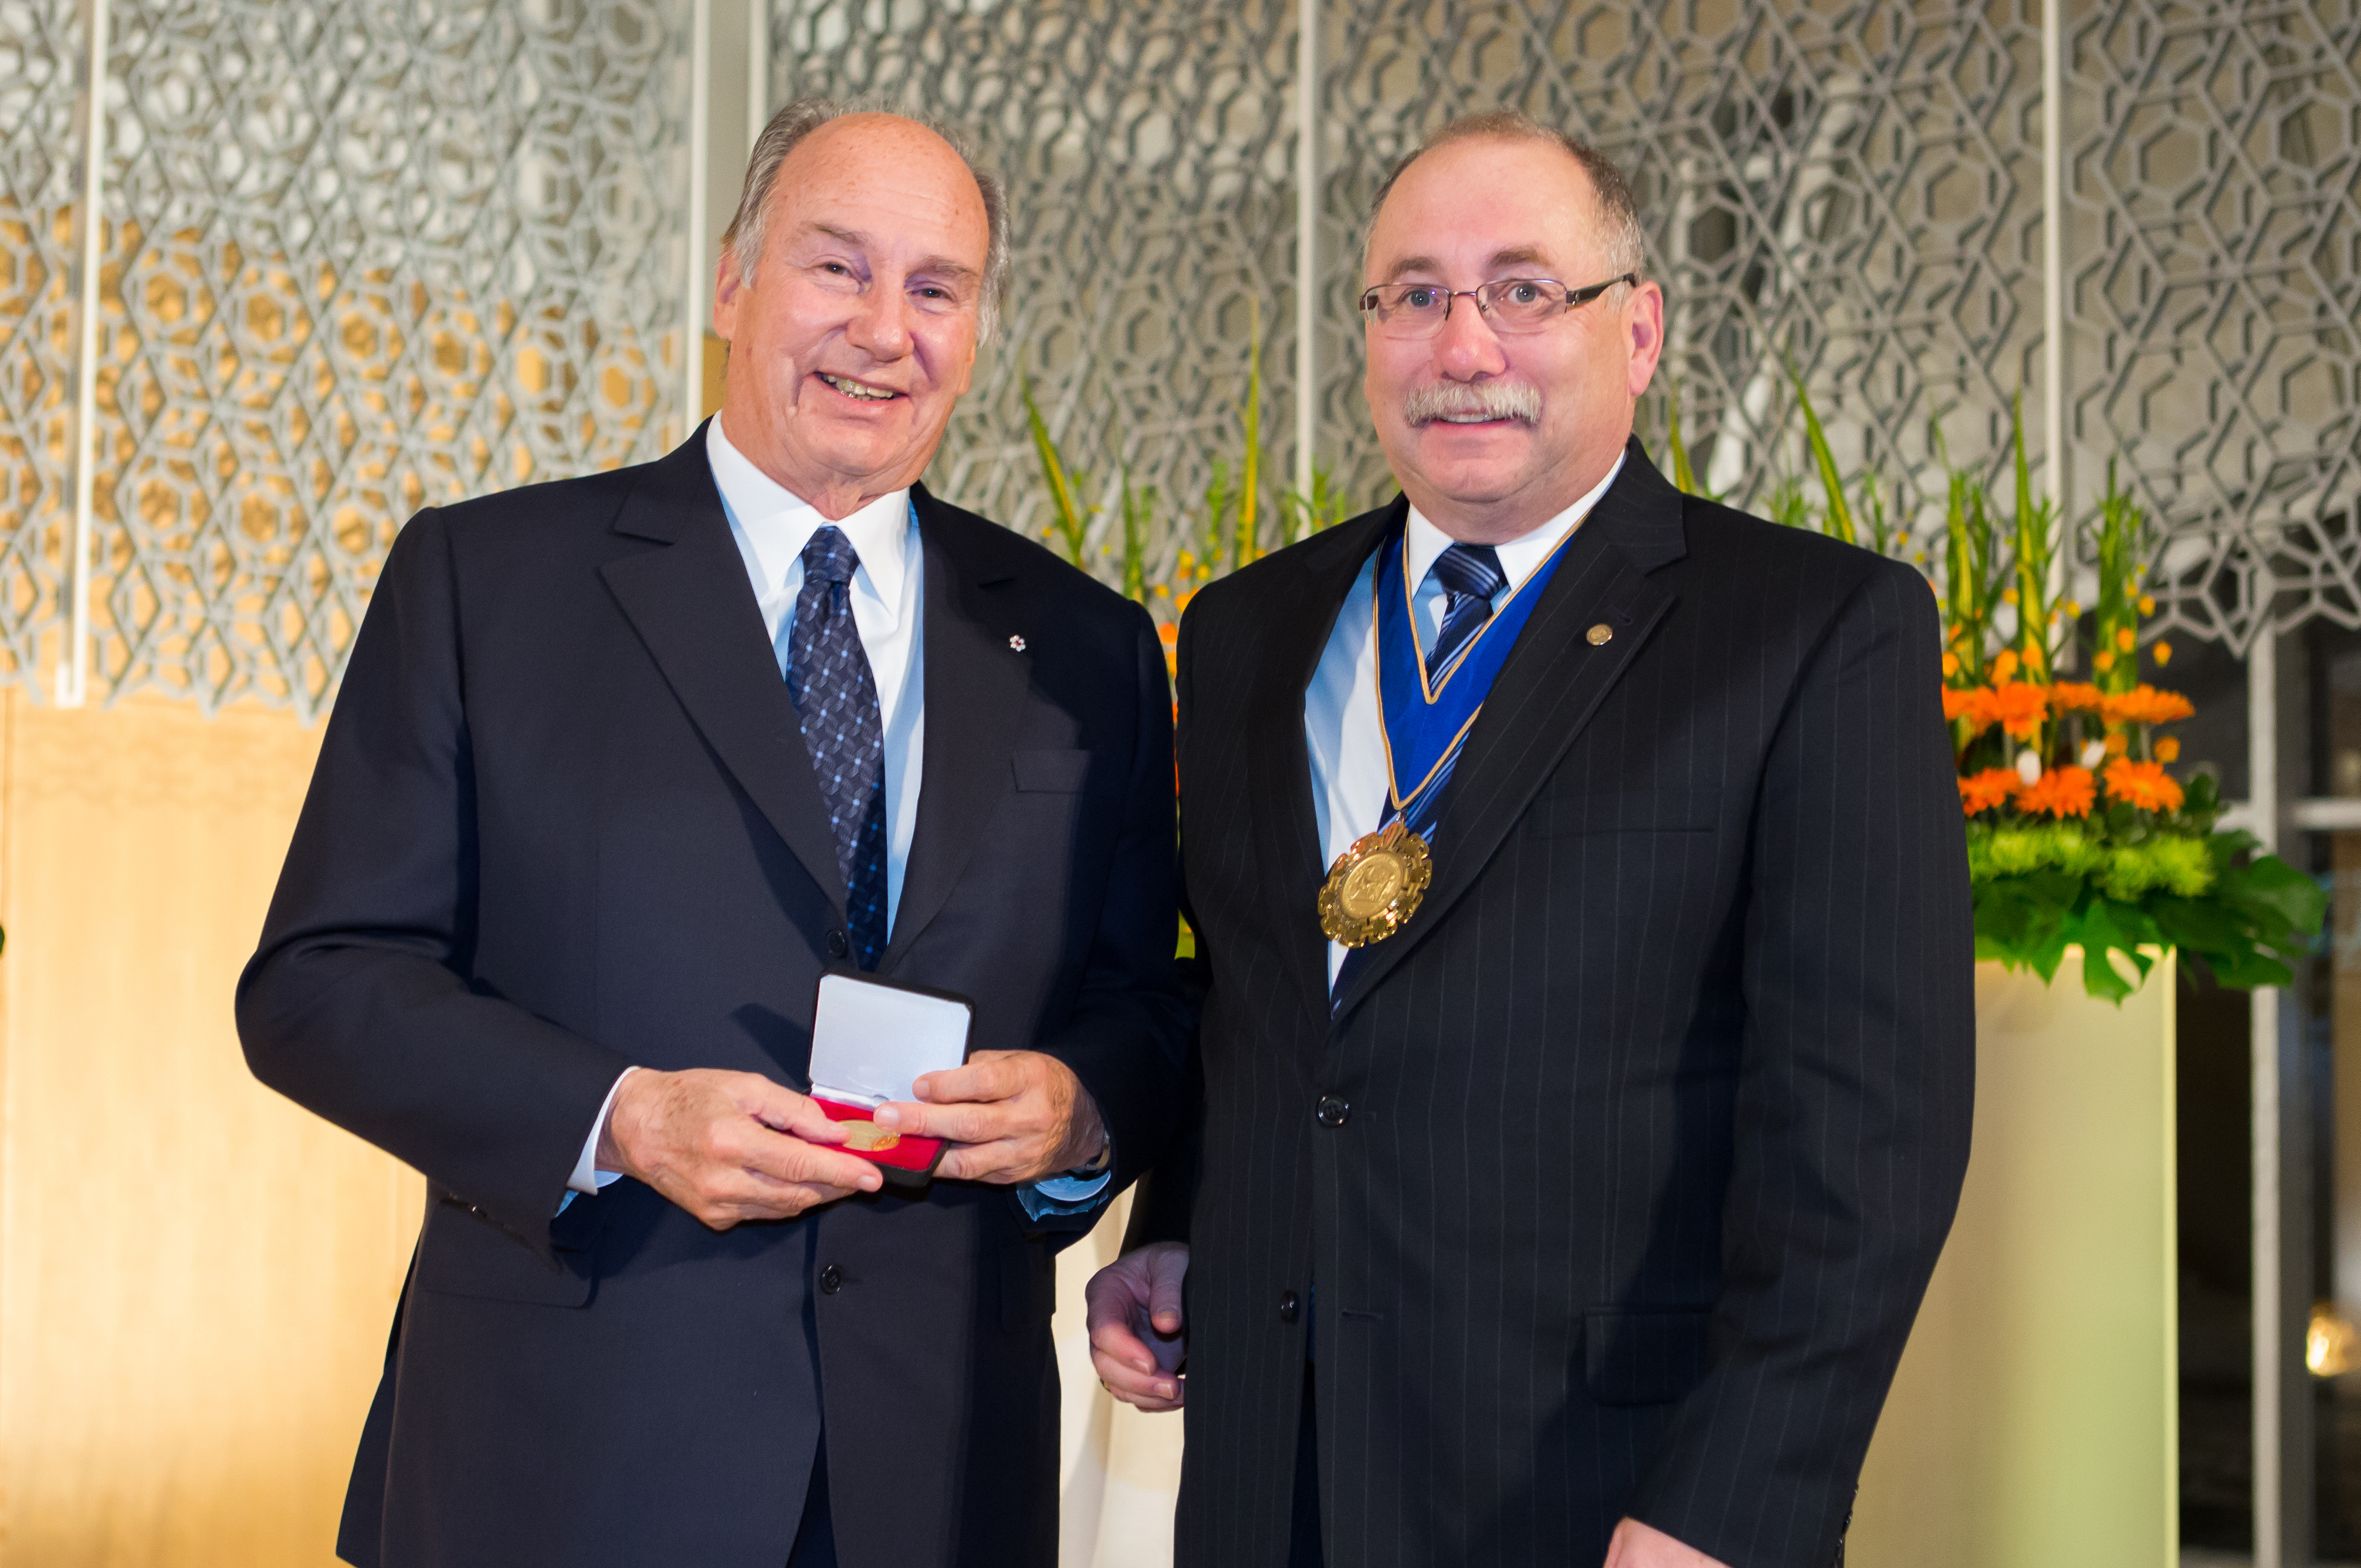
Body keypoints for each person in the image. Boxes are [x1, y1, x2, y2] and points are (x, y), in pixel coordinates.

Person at [238, 100, 1188, 1568]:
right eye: (837, 268)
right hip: (564, 1465)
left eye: (937, 288)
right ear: (732, 281)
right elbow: (318, 982)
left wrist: (1078, 1112)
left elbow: (1148, 1006)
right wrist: (618, 1114)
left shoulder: (1087, 648)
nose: (886, 329)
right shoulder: (488, 582)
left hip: (940, 1480)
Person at [1086, 111, 1974, 1568]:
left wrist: (1732, 1500)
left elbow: (1867, 1136)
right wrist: (1181, 1223)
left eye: (1523, 289)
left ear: (1638, 330)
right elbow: (1261, 1004)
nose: (1466, 345)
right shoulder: (1248, 629)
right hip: (1272, 1479)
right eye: (1415, 295)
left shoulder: (1814, 631)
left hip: (1610, 1495)